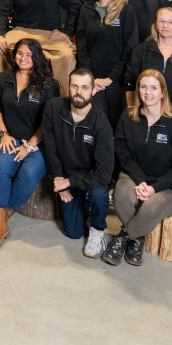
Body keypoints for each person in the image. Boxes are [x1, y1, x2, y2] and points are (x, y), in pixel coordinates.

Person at [102, 70, 172, 267]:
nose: (148, 92)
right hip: (135, 176)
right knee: (121, 194)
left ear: (163, 92)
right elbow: (122, 152)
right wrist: (141, 180)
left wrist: (154, 188)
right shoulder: (128, 117)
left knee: (152, 206)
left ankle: (124, 237)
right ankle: (137, 239)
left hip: (169, 185)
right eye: (143, 87)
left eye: (153, 88)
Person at [0, 38, 59, 248]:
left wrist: (30, 145)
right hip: (11, 137)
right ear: (14, 55)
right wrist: (4, 133)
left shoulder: (48, 85)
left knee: (28, 174)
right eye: (20, 53)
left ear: (36, 58)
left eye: (29, 54)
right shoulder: (3, 79)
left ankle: (0, 218)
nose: (23, 58)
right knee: (1, 169)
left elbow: (48, 121)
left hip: (39, 142)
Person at [40, 68, 114, 258]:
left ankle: (97, 230)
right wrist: (59, 180)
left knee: (99, 196)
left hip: (93, 178)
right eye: (74, 86)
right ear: (68, 86)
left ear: (93, 90)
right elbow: (50, 149)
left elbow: (104, 174)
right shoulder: (53, 108)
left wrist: (68, 182)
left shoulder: (101, 123)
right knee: (73, 232)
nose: (78, 92)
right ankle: (85, 208)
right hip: (67, 177)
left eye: (84, 87)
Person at [73, 0, 138, 125]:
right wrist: (90, 78)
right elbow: (81, 46)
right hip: (92, 79)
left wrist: (111, 78)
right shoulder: (86, 10)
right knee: (95, 123)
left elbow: (130, 47)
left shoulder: (126, 11)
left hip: (116, 79)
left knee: (116, 122)